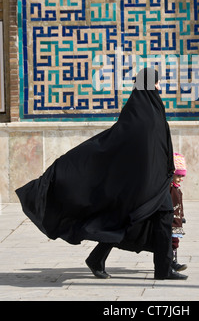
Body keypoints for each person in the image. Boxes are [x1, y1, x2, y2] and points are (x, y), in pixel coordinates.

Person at [15, 67, 187, 280]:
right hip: (144, 183)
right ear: (150, 84)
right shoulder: (144, 114)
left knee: (136, 220)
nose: (160, 86)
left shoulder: (145, 110)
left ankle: (143, 264)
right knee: (142, 218)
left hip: (154, 180)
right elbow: (124, 145)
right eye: (158, 82)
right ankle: (162, 269)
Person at [170, 153, 188, 272]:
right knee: (171, 242)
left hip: (176, 222)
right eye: (178, 175)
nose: (180, 179)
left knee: (175, 242)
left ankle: (173, 261)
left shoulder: (176, 188)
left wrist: (182, 216)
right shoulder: (169, 188)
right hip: (170, 221)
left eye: (182, 176)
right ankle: (171, 262)